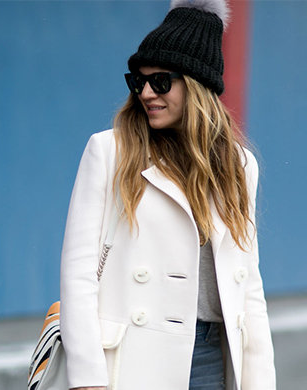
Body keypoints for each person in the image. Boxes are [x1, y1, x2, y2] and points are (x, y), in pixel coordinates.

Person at [59, 1, 276, 389]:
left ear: (197, 85)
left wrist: (260, 381)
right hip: (132, 359)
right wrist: (87, 378)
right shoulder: (110, 152)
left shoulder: (239, 167)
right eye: (137, 80)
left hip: (212, 356)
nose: (145, 92)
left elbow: (248, 285)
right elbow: (78, 274)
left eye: (160, 81)